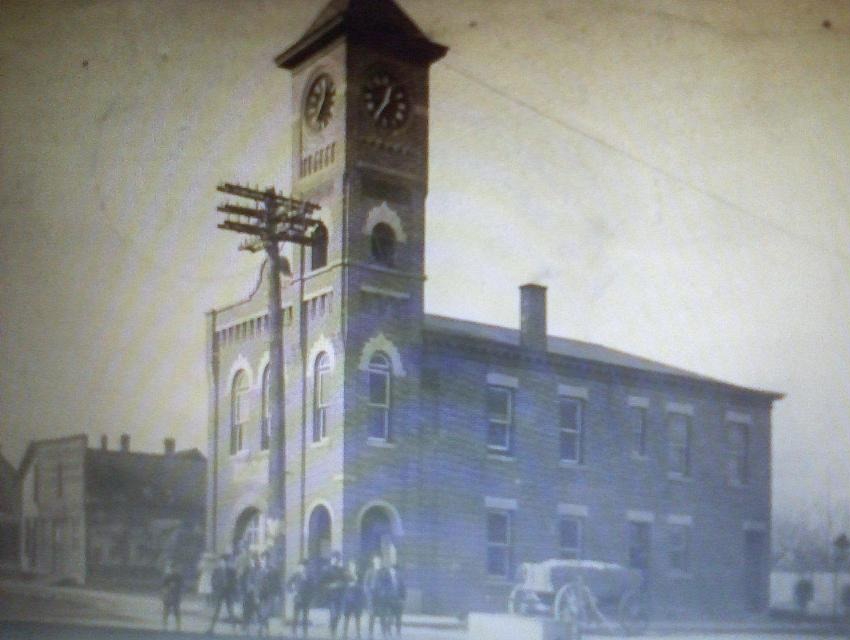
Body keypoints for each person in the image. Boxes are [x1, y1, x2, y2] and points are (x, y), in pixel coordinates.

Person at [207, 554, 238, 634]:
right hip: (220, 592)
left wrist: (233, 591)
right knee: (216, 610)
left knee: (230, 611)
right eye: (223, 561)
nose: (224, 563)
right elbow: (213, 580)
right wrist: (215, 589)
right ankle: (211, 628)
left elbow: (234, 582)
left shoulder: (232, 571)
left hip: (228, 592)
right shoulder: (217, 570)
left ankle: (234, 629)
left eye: (225, 561)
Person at [322, 551, 348, 638]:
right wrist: (330, 586)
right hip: (331, 596)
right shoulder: (327, 569)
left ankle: (333, 628)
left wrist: (341, 584)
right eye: (335, 558)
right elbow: (322, 583)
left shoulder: (342, 570)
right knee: (334, 614)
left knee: (339, 615)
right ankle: (332, 631)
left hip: (340, 596)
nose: (336, 560)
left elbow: (346, 581)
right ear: (332, 559)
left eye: (338, 559)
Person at [256, 552, 281, 637]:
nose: (264, 561)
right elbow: (258, 583)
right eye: (263, 559)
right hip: (262, 593)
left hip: (270, 593)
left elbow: (278, 583)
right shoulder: (260, 570)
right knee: (263, 611)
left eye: (266, 559)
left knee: (266, 611)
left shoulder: (273, 570)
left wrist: (277, 594)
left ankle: (261, 627)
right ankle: (266, 630)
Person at [287, 560, 314, 638]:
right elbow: (288, 584)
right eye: (302, 566)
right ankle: (293, 631)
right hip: (297, 598)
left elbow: (313, 587)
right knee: (296, 615)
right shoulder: (296, 575)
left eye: (305, 566)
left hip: (306, 598)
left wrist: (310, 597)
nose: (303, 568)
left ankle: (305, 632)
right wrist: (292, 592)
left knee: (305, 616)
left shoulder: (310, 576)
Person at [363, 555, 388, 640]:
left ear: (381, 562)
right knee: (371, 616)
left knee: (383, 617)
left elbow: (388, 584)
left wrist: (384, 592)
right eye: (376, 561)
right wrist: (369, 594)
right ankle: (370, 634)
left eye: (379, 561)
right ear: (373, 562)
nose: (378, 563)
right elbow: (365, 585)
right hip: (372, 598)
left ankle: (384, 634)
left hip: (381, 598)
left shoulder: (385, 572)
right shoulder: (369, 572)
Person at [341, 560, 365, 640]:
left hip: (357, 600)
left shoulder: (359, 575)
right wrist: (349, 585)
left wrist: (356, 585)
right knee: (347, 617)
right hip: (348, 600)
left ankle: (358, 634)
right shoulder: (345, 575)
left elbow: (362, 587)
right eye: (351, 566)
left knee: (357, 617)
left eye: (353, 566)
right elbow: (343, 586)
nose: (352, 567)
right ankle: (345, 633)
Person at [385, 563, 406, 638]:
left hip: (398, 600)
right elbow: (384, 589)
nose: (393, 572)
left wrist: (403, 599)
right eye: (392, 570)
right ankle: (388, 631)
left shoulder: (400, 578)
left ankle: (398, 632)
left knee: (398, 617)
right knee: (390, 617)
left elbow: (403, 588)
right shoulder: (386, 578)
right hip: (389, 600)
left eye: (394, 570)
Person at [161, 561, 184, 632]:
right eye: (176, 568)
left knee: (176, 611)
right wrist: (164, 593)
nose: (177, 569)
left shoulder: (180, 577)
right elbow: (163, 586)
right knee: (166, 611)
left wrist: (181, 595)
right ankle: (165, 625)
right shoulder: (168, 576)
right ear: (172, 568)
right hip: (168, 595)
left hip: (176, 595)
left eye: (178, 568)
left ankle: (178, 626)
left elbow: (181, 587)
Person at [240, 554, 259, 634]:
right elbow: (242, 581)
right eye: (251, 561)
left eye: (253, 561)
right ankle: (245, 625)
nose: (252, 563)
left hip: (253, 594)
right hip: (247, 594)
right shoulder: (246, 570)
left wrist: (253, 589)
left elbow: (256, 582)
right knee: (246, 610)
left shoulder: (256, 571)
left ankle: (254, 626)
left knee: (254, 610)